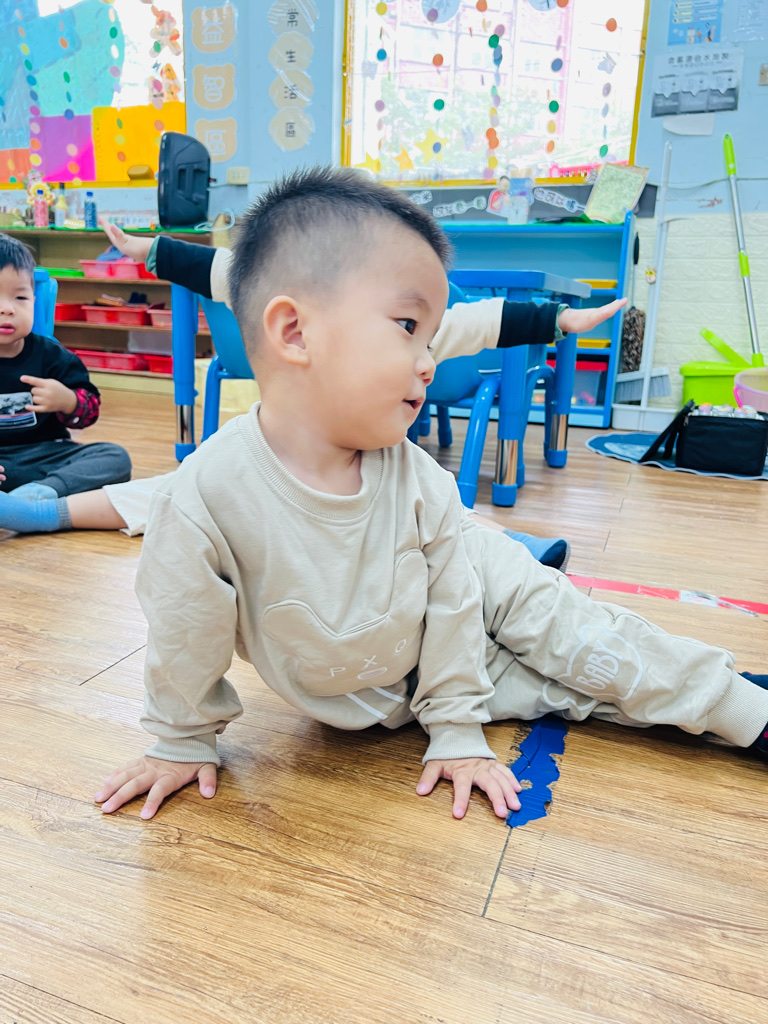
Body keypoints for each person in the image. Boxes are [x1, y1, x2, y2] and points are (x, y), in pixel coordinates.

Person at [93, 167, 768, 824]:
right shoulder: (207, 495)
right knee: (578, 687)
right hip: (401, 688)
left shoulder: (418, 478)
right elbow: (184, 628)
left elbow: (453, 602)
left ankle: (745, 708)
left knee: (572, 633)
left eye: (432, 335)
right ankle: (723, 694)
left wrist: (456, 730)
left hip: (463, 610)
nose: (428, 361)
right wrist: (181, 739)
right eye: (409, 328)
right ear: (295, 332)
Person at [0, 215, 627, 569]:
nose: (421, 358)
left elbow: (489, 320)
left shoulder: (417, 332)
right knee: (178, 490)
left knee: (435, 513)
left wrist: (559, 319)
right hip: (275, 461)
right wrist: (150, 251)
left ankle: (512, 548)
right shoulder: (297, 305)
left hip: (358, 483)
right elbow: (224, 270)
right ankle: (43, 511)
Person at [0, 233, 131, 510]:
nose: (7, 309)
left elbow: (90, 409)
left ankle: (37, 495)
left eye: (20, 297)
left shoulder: (52, 355)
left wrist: (68, 401)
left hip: (46, 457)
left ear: (34, 300)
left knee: (114, 457)